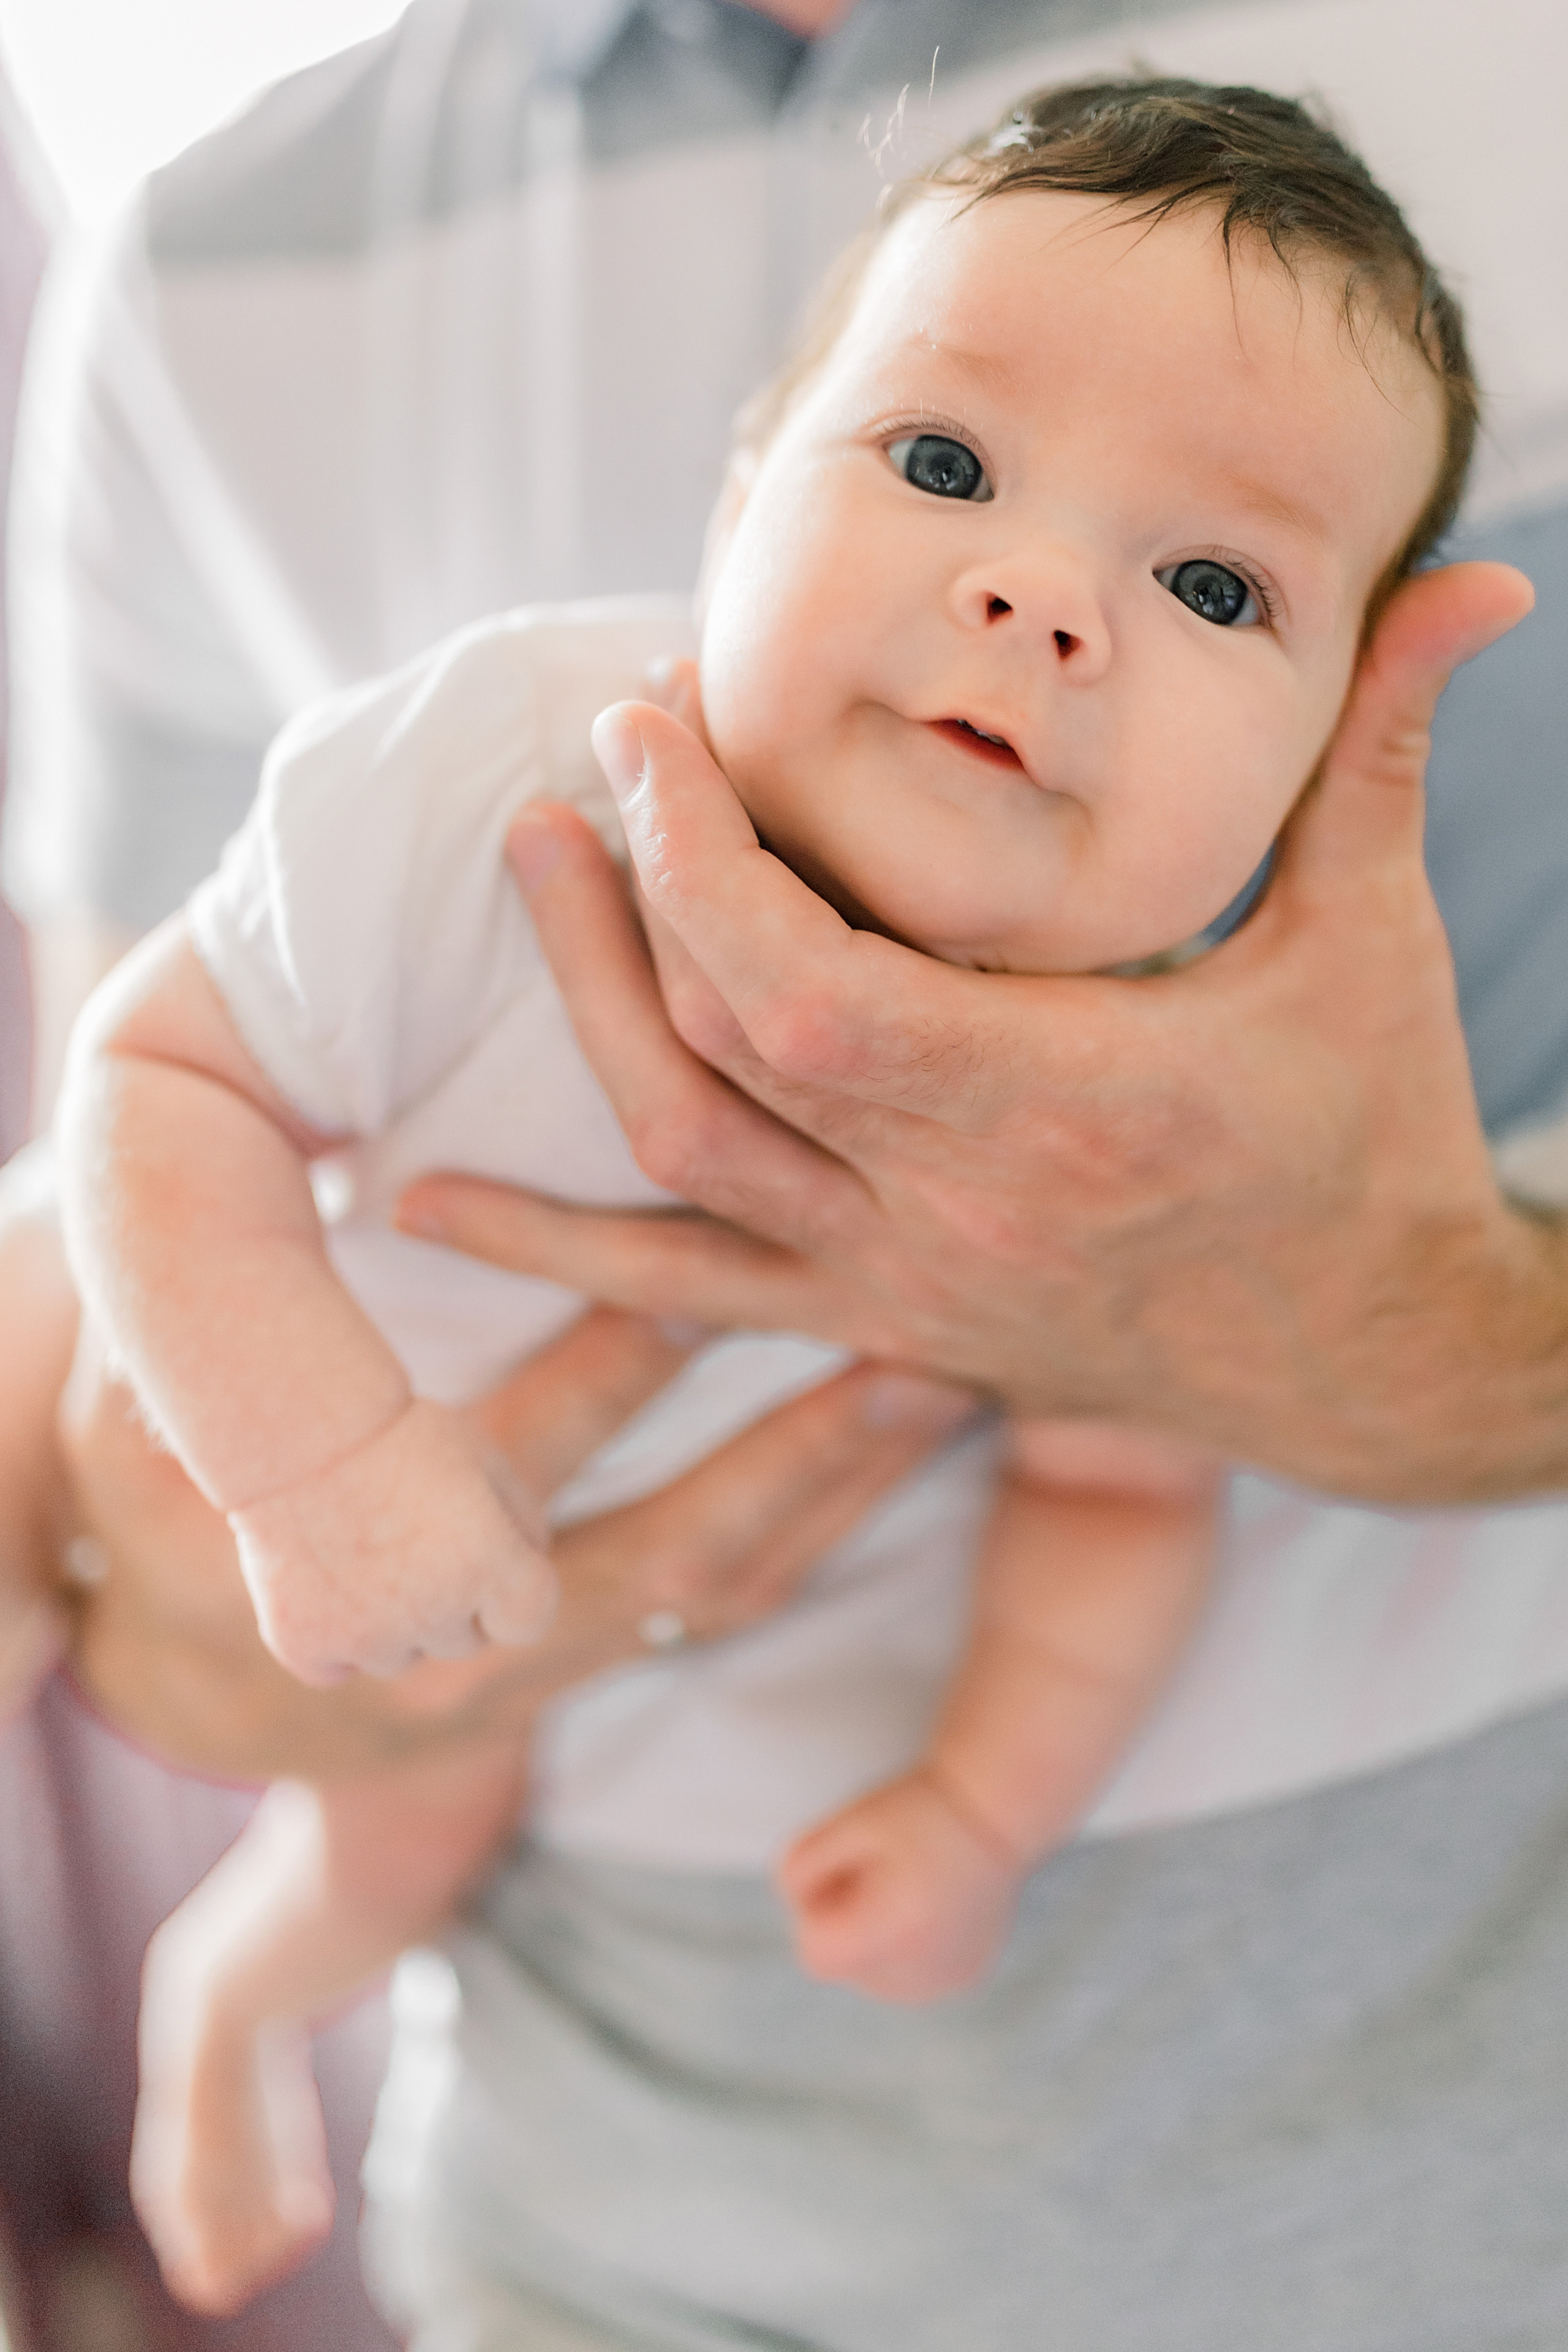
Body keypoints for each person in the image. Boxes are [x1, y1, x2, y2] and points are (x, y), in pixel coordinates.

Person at [4, 0, 1568, 2344]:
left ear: (1348, 735)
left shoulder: (1212, 1029)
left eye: (1217, 591)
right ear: (740, 499)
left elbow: (1120, 1507)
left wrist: (972, 1813)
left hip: (1421, 2179)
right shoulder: (487, 765)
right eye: (940, 463)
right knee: (407, 1799)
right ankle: (237, 1997)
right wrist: (298, 1474)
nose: (1045, 600)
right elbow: (142, 1097)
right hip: (560, 2026)